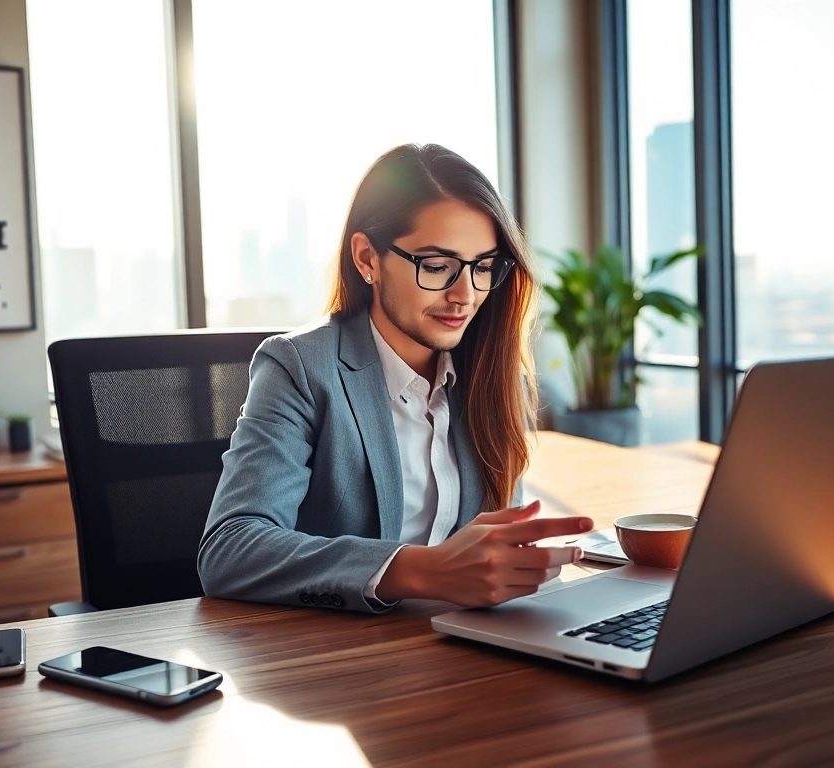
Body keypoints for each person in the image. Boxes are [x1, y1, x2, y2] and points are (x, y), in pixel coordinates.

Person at [198, 144, 592, 613]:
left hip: (462, 644)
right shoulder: (301, 368)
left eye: (483, 267)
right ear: (368, 259)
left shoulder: (492, 373)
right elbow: (230, 551)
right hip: (338, 660)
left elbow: (496, 546)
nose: (465, 295)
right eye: (437, 265)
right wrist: (422, 570)